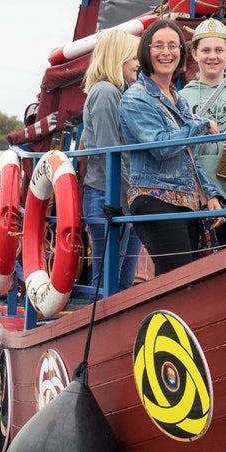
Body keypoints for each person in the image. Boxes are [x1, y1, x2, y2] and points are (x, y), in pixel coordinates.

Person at [118, 19, 226, 274]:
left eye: (172, 46)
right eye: (158, 46)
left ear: (181, 52)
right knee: (177, 278)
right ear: (146, 50)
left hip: (186, 200)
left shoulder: (178, 98)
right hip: (153, 197)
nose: (166, 52)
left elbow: (190, 154)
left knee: (184, 279)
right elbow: (161, 147)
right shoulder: (135, 97)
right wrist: (201, 125)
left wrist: (209, 194)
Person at [80, 28, 144, 295]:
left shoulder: (121, 93)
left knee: (122, 284)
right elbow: (110, 151)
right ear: (118, 58)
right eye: (133, 58)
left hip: (121, 193)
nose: (139, 64)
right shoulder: (106, 93)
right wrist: (125, 199)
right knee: (108, 282)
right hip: (109, 195)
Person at [178, 18, 226, 246]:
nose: (213, 56)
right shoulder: (180, 97)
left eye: (219, 50)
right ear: (194, 54)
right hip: (191, 198)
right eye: (206, 50)